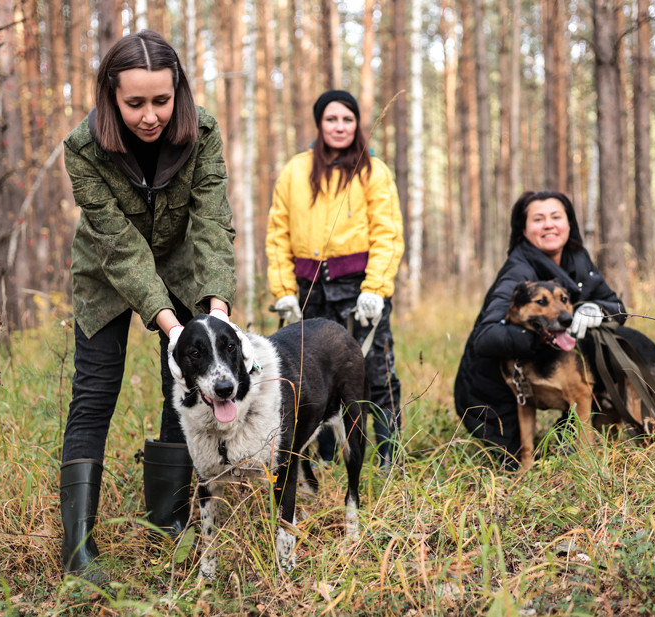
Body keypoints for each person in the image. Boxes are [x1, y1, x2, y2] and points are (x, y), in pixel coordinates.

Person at [59, 30, 237, 583]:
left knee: (182, 389)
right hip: (107, 274)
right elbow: (120, 246)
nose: (150, 116)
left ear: (177, 91)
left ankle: (169, 521)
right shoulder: (82, 149)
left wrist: (218, 309)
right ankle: (79, 552)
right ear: (111, 95)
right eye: (134, 102)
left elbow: (210, 222)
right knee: (93, 396)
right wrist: (168, 323)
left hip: (184, 265)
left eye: (161, 100)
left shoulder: (202, 132)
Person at [265, 90, 405, 468]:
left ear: (357, 123)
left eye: (347, 119)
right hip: (311, 290)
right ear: (319, 123)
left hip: (359, 290)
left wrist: (375, 289)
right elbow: (278, 233)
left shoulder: (374, 171)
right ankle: (324, 457)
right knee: (314, 372)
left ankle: (388, 455)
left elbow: (388, 233)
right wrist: (283, 292)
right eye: (331, 119)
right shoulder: (296, 170)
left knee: (375, 368)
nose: (339, 127)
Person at [453, 190, 626, 468]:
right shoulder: (517, 272)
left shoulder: (577, 258)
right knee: (511, 465)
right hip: (493, 397)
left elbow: (617, 306)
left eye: (556, 217)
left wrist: (598, 310)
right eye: (538, 219)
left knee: (560, 453)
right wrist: (547, 336)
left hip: (540, 378)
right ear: (523, 230)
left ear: (569, 224)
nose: (549, 224)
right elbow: (486, 338)